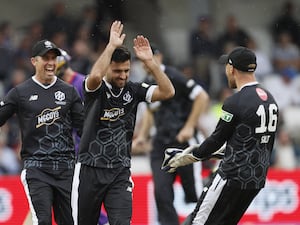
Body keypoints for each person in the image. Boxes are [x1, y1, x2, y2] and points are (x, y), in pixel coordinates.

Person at [71, 20, 175, 225]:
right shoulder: (95, 89)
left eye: (126, 71)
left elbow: (168, 91)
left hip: (120, 170)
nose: (123, 76)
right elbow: (94, 76)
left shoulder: (134, 90)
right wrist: (111, 46)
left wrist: (151, 62)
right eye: (118, 71)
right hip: (90, 168)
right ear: (109, 67)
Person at [162, 46, 279, 225]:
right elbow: (254, 144)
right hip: (255, 180)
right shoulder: (270, 99)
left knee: (197, 222)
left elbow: (216, 141)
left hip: (230, 177)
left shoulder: (235, 101)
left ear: (231, 69)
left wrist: (185, 157)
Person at [0, 39, 84, 224]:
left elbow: (83, 129)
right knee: (43, 220)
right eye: (45, 58)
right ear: (33, 61)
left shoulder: (69, 92)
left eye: (53, 58)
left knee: (67, 221)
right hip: (36, 168)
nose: (51, 62)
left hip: (65, 168)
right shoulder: (20, 93)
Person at [133, 44, 209, 225]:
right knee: (161, 193)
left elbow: (202, 97)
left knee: (194, 194)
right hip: (161, 144)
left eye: (150, 58)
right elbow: (151, 111)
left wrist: (189, 126)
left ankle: (212, 213)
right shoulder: (147, 81)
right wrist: (143, 136)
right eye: (142, 60)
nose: (146, 64)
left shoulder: (173, 75)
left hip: (184, 142)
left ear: (159, 58)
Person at [56, 48, 109, 225]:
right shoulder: (61, 87)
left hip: (87, 151)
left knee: (80, 199)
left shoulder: (80, 83)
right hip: (74, 152)